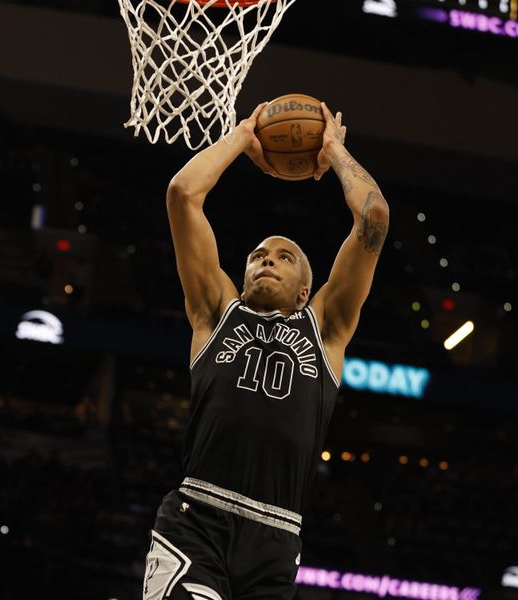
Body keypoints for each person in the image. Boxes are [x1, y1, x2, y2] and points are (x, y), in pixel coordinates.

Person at [142, 102, 390, 600]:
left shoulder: (326, 329)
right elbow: (182, 194)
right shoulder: (215, 313)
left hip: (275, 539)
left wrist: (335, 151)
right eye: (257, 255)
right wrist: (245, 135)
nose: (265, 261)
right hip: (196, 522)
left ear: (305, 291)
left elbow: (374, 216)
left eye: (284, 257)